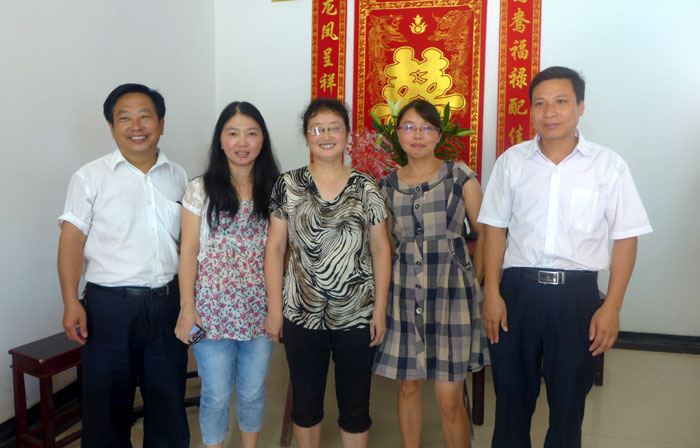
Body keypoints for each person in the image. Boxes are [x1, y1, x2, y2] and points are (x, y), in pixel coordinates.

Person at [478, 66, 653, 448]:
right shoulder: (512, 162)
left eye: (561, 101)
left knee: (568, 406)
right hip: (517, 294)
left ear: (580, 106)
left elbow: (626, 238)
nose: (550, 112)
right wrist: (491, 294)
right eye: (540, 103)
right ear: (531, 110)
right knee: (510, 403)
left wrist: (612, 307)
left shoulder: (608, 166)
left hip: (577, 299)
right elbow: (494, 230)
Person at [57, 83, 189, 447]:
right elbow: (71, 241)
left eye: (145, 116)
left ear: (161, 123)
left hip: (167, 304)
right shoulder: (89, 177)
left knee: (168, 404)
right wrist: (70, 301)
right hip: (109, 308)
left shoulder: (178, 176)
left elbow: (186, 244)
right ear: (112, 127)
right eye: (125, 118)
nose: (136, 126)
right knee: (106, 410)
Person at [264, 98, 391, 448]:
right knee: (305, 405)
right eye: (317, 129)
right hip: (301, 313)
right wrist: (275, 310)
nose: (326, 135)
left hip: (357, 313)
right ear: (306, 135)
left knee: (355, 405)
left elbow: (381, 249)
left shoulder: (366, 186)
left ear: (347, 134)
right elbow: (275, 249)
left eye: (334, 128)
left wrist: (379, 310)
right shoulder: (288, 185)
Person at [372, 100, 489, 448]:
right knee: (408, 385)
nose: (417, 135)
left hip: (452, 295)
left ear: (438, 134)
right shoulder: (386, 186)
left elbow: (485, 233)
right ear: (399, 135)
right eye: (409, 127)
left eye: (426, 128)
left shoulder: (460, 176)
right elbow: (384, 246)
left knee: (449, 397)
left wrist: (474, 281)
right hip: (404, 293)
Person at [174, 101, 280, 448]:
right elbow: (188, 251)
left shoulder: (276, 189)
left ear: (262, 140)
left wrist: (276, 310)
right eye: (233, 133)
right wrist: (187, 308)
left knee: (252, 390)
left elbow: (280, 252)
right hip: (211, 311)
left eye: (251, 133)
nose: (242, 142)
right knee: (216, 393)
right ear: (220, 140)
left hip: (259, 310)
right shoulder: (200, 189)